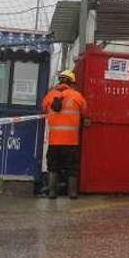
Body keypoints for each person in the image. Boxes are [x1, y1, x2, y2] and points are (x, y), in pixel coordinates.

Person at [41, 69, 88, 199]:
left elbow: (43, 108)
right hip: (71, 141)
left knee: (53, 167)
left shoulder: (50, 96)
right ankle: (72, 193)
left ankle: (52, 192)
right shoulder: (77, 96)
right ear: (72, 82)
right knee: (72, 168)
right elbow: (85, 112)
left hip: (54, 141)